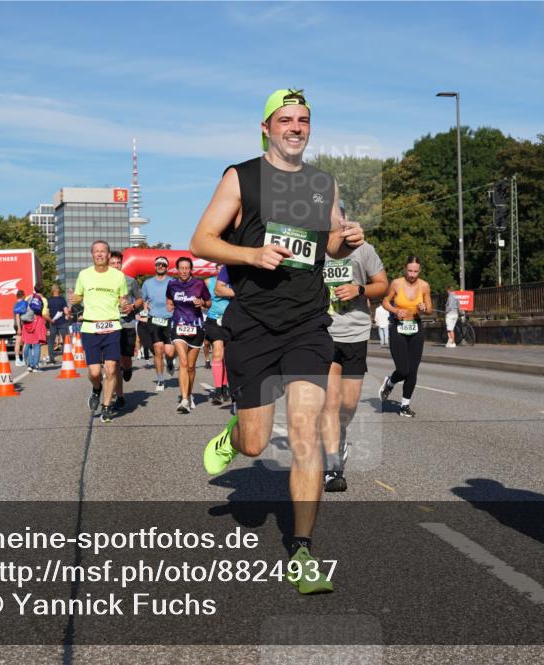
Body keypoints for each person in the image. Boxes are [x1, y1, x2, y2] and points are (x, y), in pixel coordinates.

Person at [189, 88, 365, 594]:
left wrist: (345, 237)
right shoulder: (240, 177)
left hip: (308, 323)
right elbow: (202, 240)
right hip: (254, 324)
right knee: (256, 442)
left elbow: (325, 243)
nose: (295, 127)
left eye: (303, 120)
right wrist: (250, 256)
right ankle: (234, 433)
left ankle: (304, 552)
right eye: (285, 119)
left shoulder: (322, 182)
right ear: (265, 127)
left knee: (307, 432)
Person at [320, 235, 388, 492]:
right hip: (323, 333)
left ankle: (339, 435)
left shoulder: (363, 250)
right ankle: (332, 467)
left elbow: (382, 284)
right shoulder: (314, 250)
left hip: (355, 335)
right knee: (330, 402)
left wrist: (359, 289)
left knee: (347, 405)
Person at [72, 240, 128, 423]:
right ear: (92, 255)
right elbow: (79, 295)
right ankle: (97, 388)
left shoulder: (118, 276)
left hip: (112, 326)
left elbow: (122, 298)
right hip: (90, 327)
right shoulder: (84, 275)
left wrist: (124, 304)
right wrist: (75, 298)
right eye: (96, 251)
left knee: (111, 368)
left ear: (109, 255)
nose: (99, 254)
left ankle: (106, 406)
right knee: (95, 372)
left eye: (103, 251)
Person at [378, 255, 433, 417]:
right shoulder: (396, 283)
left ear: (419, 270)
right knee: (402, 369)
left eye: (415, 271)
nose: (412, 274)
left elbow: (430, 309)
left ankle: (404, 406)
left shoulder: (424, 286)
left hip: (416, 327)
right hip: (398, 327)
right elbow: (385, 302)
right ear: (405, 268)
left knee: (412, 372)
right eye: (410, 270)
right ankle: (390, 382)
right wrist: (395, 311)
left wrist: (424, 308)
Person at [166, 256, 211, 413]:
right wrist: (169, 306)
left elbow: (209, 302)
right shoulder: (172, 284)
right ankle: (184, 399)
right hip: (178, 326)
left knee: (191, 366)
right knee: (183, 363)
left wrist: (203, 303)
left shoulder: (199, 283)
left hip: (196, 327)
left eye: (187, 268)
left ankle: (189, 394)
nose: (184, 271)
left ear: (190, 269)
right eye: (181, 268)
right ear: (177, 269)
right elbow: (169, 299)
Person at [108, 250, 144, 410]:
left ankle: (128, 368)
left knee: (125, 359)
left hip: (127, 324)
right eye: (113, 263)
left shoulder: (130, 281)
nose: (116, 266)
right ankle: (120, 396)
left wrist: (133, 306)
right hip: (111, 325)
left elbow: (140, 300)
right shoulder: (104, 283)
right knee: (113, 364)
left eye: (118, 263)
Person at [142, 256, 176, 392]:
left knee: (169, 351)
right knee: (158, 349)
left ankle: (169, 361)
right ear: (155, 267)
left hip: (169, 319)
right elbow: (144, 300)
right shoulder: (147, 283)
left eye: (163, 264)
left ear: (167, 267)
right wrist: (145, 307)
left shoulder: (173, 282)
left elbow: (178, 298)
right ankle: (160, 379)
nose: (160, 266)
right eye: (158, 265)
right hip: (154, 319)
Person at [204, 265, 234, 404]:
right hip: (213, 320)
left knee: (227, 355)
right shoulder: (208, 282)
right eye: (218, 267)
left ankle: (225, 387)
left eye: (223, 267)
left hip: (229, 321)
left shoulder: (233, 282)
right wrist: (202, 304)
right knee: (217, 351)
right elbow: (205, 301)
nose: (221, 269)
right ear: (216, 269)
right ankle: (217, 390)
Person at [20, 285, 51, 373]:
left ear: (34, 289)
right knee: (37, 344)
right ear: (42, 290)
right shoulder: (43, 299)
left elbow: (23, 309)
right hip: (38, 321)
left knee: (29, 344)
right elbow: (44, 313)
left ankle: (29, 365)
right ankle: (35, 366)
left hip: (28, 322)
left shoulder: (28, 297)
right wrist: (50, 321)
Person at [47, 284, 70, 363]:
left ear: (52, 291)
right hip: (62, 322)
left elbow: (46, 312)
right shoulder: (62, 299)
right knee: (65, 340)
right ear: (58, 290)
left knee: (51, 341)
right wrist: (68, 315)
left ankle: (51, 358)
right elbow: (66, 311)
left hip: (52, 323)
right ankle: (65, 357)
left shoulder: (49, 300)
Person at [12, 290, 28, 366]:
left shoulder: (15, 304)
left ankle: (18, 359)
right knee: (22, 342)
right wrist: (19, 328)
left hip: (16, 324)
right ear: (23, 296)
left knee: (19, 342)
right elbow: (18, 316)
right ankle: (21, 359)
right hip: (20, 325)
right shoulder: (20, 303)